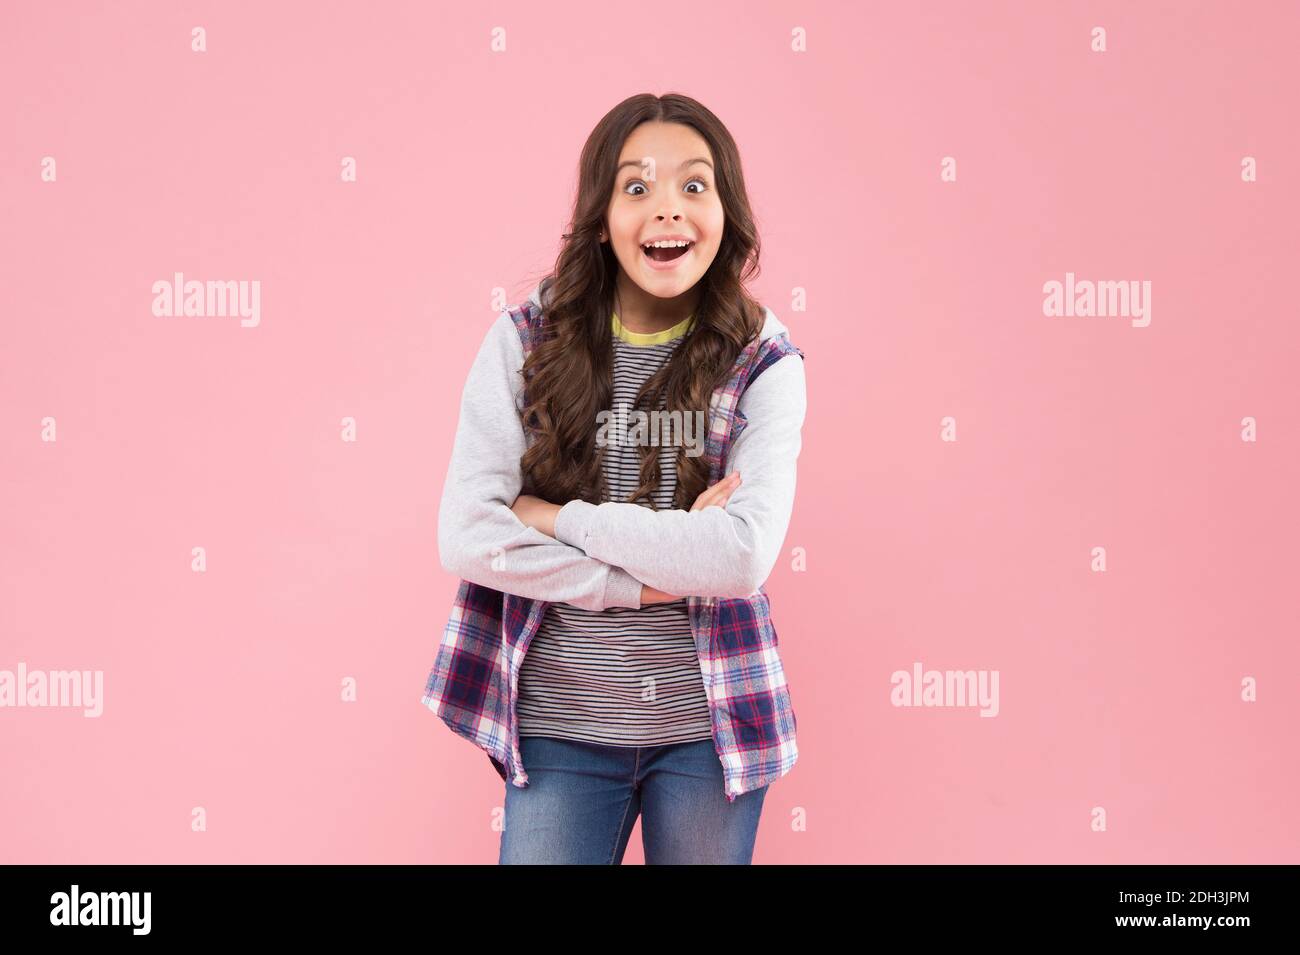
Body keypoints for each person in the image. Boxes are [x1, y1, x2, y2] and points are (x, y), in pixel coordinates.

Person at [428, 92, 807, 864]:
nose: (667, 210)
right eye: (637, 187)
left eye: (694, 186)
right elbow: (468, 536)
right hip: (560, 723)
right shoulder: (525, 341)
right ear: (602, 217)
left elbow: (738, 557)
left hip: (710, 725)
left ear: (727, 213)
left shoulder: (764, 358)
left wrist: (554, 516)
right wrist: (648, 578)